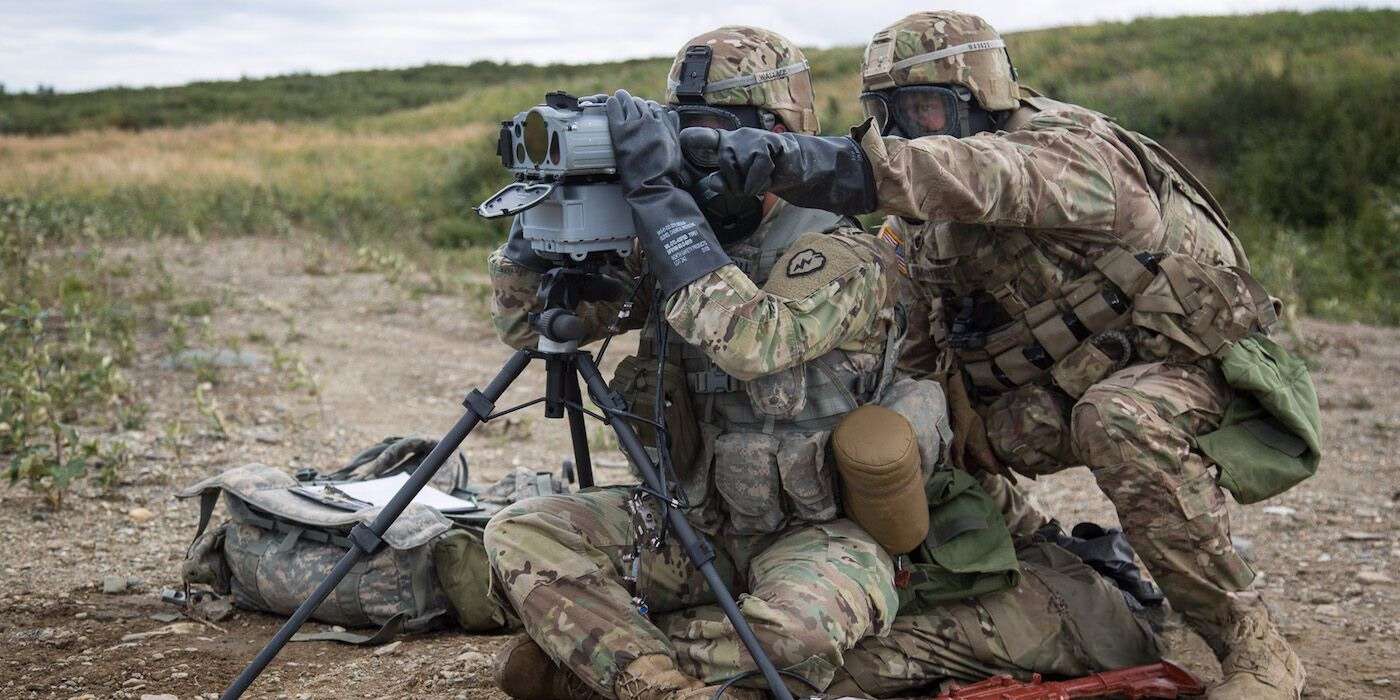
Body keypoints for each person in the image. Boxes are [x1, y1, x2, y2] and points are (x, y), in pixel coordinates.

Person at [679, 11, 1311, 700]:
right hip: (1052, 391)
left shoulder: (1073, 152)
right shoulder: (919, 211)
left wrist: (821, 161)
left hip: (1188, 370)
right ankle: (1030, 561)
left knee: (1119, 418)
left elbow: (989, 174)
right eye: (888, 115)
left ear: (983, 96)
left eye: (925, 108)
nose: (910, 130)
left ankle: (1255, 649)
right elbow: (909, 338)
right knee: (909, 422)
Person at [482, 27, 908, 700]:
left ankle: (601, 656)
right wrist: (546, 206)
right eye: (678, 134)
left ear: (777, 135)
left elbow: (752, 340)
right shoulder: (671, 233)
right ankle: (665, 687)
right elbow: (527, 326)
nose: (692, 156)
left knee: (801, 635)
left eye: (714, 135)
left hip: (817, 533)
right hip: (688, 521)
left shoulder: (842, 248)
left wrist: (661, 203)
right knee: (523, 532)